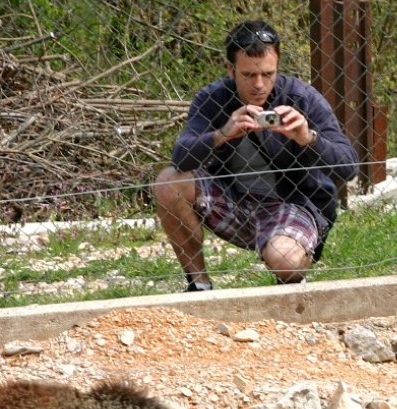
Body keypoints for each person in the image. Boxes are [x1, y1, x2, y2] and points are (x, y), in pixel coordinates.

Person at [154, 19, 359, 292]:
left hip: (292, 204)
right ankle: (199, 285)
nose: (259, 85)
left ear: (278, 65)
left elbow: (349, 167)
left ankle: (295, 255)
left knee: (285, 261)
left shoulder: (302, 98)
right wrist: (221, 135)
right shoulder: (212, 98)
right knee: (167, 182)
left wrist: (307, 139)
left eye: (268, 74)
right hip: (234, 200)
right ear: (230, 69)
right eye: (248, 75)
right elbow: (180, 158)